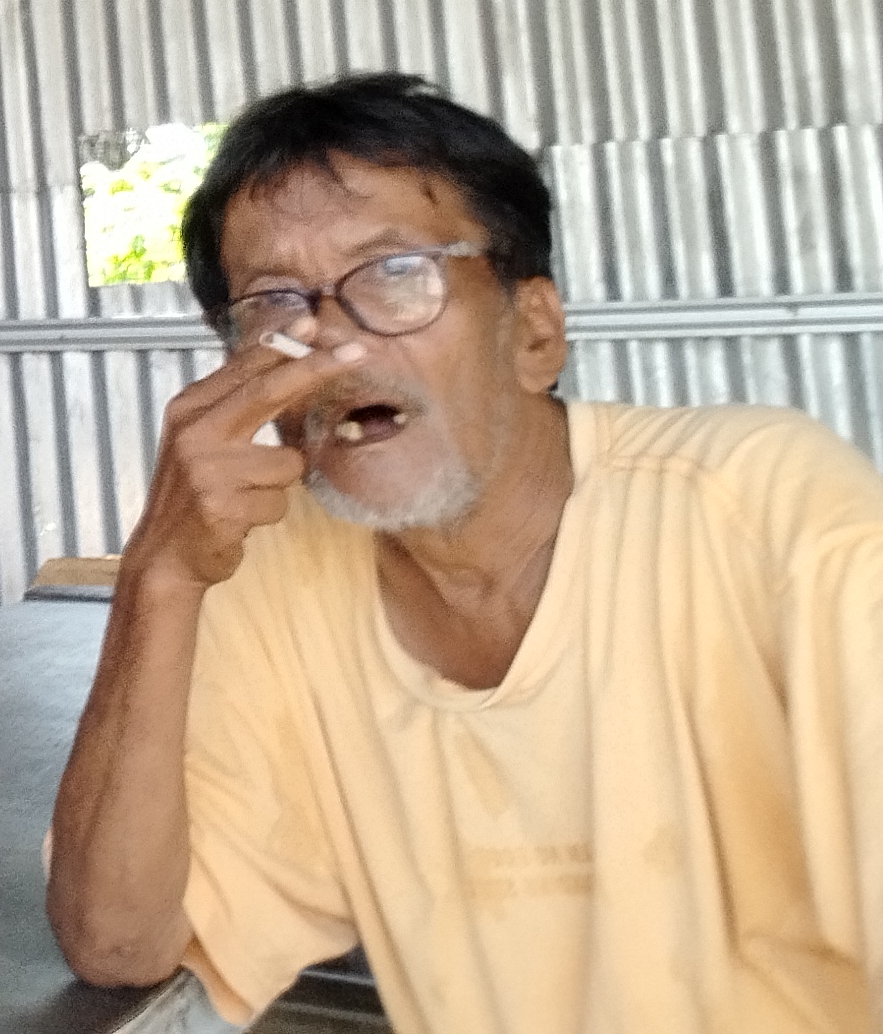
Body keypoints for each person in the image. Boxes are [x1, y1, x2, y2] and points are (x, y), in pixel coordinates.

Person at [47, 73, 883, 1031]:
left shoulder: (768, 510)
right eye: (275, 305)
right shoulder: (273, 573)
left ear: (535, 333)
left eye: (396, 272)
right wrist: (159, 573)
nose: (333, 341)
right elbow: (117, 941)